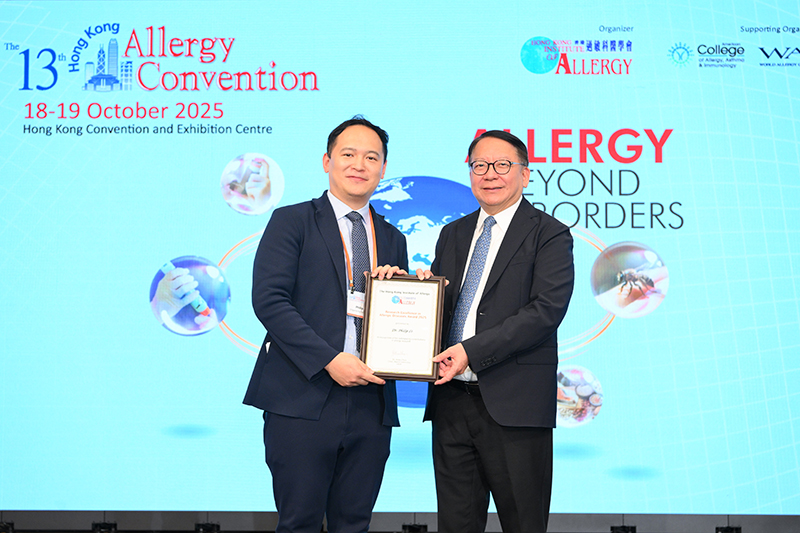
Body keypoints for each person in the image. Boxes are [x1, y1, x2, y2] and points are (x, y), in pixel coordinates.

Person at [243, 116, 408, 533]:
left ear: (383, 168)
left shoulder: (393, 237)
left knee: (354, 523)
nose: (359, 165)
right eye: (348, 154)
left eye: (371, 157)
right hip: (303, 396)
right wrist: (330, 359)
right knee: (299, 522)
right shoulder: (292, 220)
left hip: (371, 401)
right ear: (327, 161)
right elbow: (269, 300)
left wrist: (411, 291)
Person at [417, 130, 574, 533]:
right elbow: (444, 309)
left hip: (515, 407)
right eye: (479, 165)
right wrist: (415, 294)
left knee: (523, 523)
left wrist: (470, 351)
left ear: (525, 173)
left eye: (503, 165)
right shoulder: (452, 233)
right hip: (451, 402)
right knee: (455, 524)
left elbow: (545, 312)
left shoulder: (549, 234)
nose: (490, 174)